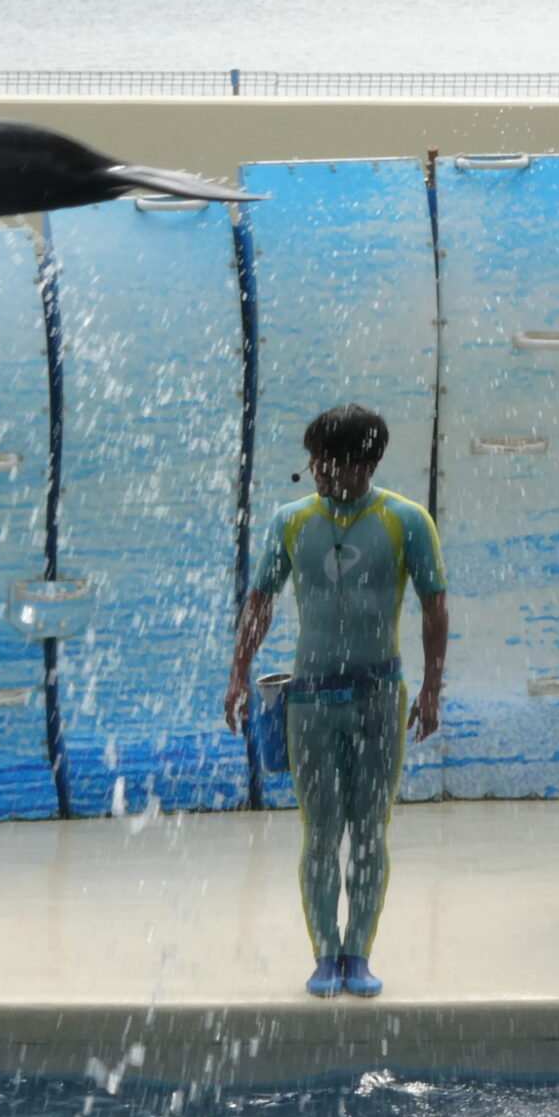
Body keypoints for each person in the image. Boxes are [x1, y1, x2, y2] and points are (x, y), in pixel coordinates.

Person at [223, 406, 447, 999]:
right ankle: (325, 953)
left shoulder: (407, 521)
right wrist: (239, 674)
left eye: (328, 461)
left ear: (365, 462)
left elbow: (434, 606)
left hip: (380, 697)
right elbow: (261, 601)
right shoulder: (292, 521)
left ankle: (359, 952)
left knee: (370, 830)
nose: (316, 470)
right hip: (311, 701)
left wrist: (431, 688)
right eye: (314, 459)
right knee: (321, 831)